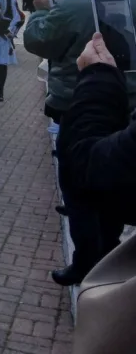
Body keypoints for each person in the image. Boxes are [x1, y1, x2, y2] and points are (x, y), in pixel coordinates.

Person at [24, 0, 136, 285]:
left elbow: (38, 41)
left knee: (79, 190)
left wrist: (40, 10)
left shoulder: (72, 5)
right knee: (115, 180)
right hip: (128, 108)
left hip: (80, 106)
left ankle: (87, 264)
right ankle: (112, 248)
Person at [56, 32, 136, 274]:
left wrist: (99, 77)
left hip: (91, 97)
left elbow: (87, 160)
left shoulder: (69, 6)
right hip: (114, 104)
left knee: (84, 188)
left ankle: (89, 263)